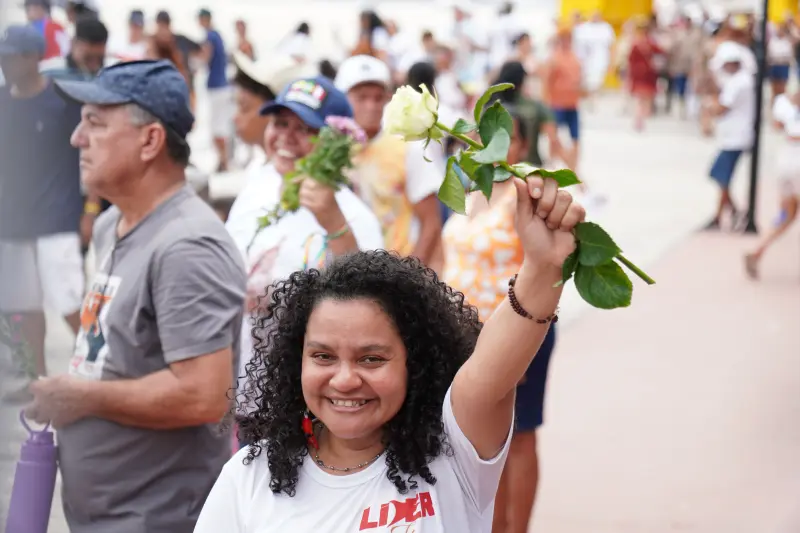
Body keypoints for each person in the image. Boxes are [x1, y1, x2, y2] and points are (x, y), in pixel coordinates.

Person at [194, 173, 586, 533]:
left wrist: (543, 267)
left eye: (372, 358)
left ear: (413, 363)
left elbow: (489, 374)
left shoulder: (452, 453)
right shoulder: (249, 477)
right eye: (323, 356)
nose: (345, 380)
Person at [24, 60, 246, 533]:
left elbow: (204, 395)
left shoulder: (187, 245)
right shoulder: (112, 225)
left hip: (155, 519)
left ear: (150, 141)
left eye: (96, 123)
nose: (76, 138)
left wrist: (80, 398)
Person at [226, 75, 384, 447]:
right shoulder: (258, 186)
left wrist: (333, 223)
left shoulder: (352, 217)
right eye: (280, 123)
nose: (286, 138)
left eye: (305, 129)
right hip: (242, 395)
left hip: (309, 408)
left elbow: (373, 306)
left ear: (336, 145)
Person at [442, 109, 558, 533]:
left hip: (519, 327)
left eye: (496, 136)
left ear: (521, 146)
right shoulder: (468, 191)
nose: (481, 144)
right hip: (464, 335)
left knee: (519, 434)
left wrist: (521, 339)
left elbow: (547, 262)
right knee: (478, 440)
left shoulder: (526, 196)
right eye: (476, 134)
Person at [0, 25, 84, 378]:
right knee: (22, 308)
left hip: (57, 220)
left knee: (70, 302)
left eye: (12, 56)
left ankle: (102, 373)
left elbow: (86, 154)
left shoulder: (62, 102)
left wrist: (91, 210)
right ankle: (35, 378)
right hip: (13, 225)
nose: (5, 63)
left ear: (33, 57)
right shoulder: (2, 102)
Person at [335, 55, 444, 271]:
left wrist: (409, 279)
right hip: (344, 274)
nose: (372, 106)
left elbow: (431, 222)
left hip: (395, 270)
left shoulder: (407, 146)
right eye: (361, 97)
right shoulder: (331, 150)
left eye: (378, 98)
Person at [744, 90, 800, 278]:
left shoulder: (783, 101)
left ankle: (758, 249)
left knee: (785, 214)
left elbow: (777, 124)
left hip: (786, 159)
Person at [702, 46, 755, 231]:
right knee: (720, 175)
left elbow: (722, 108)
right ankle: (733, 211)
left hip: (735, 137)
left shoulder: (738, 83)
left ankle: (723, 214)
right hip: (733, 136)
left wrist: (710, 106)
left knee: (720, 175)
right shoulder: (741, 80)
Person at [542, 24, 582, 171]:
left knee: (575, 138)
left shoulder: (575, 58)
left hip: (572, 103)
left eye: (569, 38)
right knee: (554, 137)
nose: (567, 41)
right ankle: (553, 163)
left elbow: (579, 79)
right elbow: (546, 82)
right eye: (564, 38)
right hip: (557, 103)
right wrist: (546, 103)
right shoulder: (554, 58)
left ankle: (574, 167)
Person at [199, 8, 233, 172]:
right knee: (221, 125)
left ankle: (223, 160)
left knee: (216, 126)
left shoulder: (210, 36)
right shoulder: (218, 35)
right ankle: (224, 159)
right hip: (223, 85)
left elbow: (205, 56)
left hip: (216, 86)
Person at [41, 16, 108, 81]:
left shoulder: (107, 77)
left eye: (98, 58)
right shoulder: (52, 73)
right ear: (74, 43)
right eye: (89, 58)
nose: (94, 64)